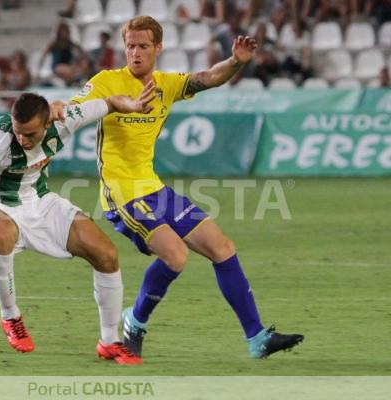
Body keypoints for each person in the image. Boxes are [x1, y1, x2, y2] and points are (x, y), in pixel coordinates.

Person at [63, 16, 304, 360]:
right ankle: (135, 320)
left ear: (158, 48)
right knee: (175, 255)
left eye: (143, 46)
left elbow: (207, 78)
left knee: (222, 247)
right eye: (130, 46)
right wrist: (111, 103)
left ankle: (257, 338)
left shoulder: (166, 84)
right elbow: (72, 111)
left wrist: (235, 61)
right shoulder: (106, 82)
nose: (135, 53)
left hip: (153, 188)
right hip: (121, 194)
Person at [0, 85, 157, 365]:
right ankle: (10, 316)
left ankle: (109, 341)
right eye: (18, 131)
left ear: (48, 122)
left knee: (106, 253)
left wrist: (132, 105)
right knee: (3, 233)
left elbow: (109, 101)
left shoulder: (67, 118)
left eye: (30, 134)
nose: (22, 139)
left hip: (41, 202)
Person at [37, 22, 89, 86]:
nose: (65, 34)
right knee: (69, 71)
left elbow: (82, 53)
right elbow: (43, 56)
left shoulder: (70, 43)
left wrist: (80, 61)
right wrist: (38, 70)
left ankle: (72, 83)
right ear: (59, 32)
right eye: (63, 32)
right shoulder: (54, 44)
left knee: (82, 67)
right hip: (57, 66)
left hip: (68, 66)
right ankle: (70, 82)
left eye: (66, 31)